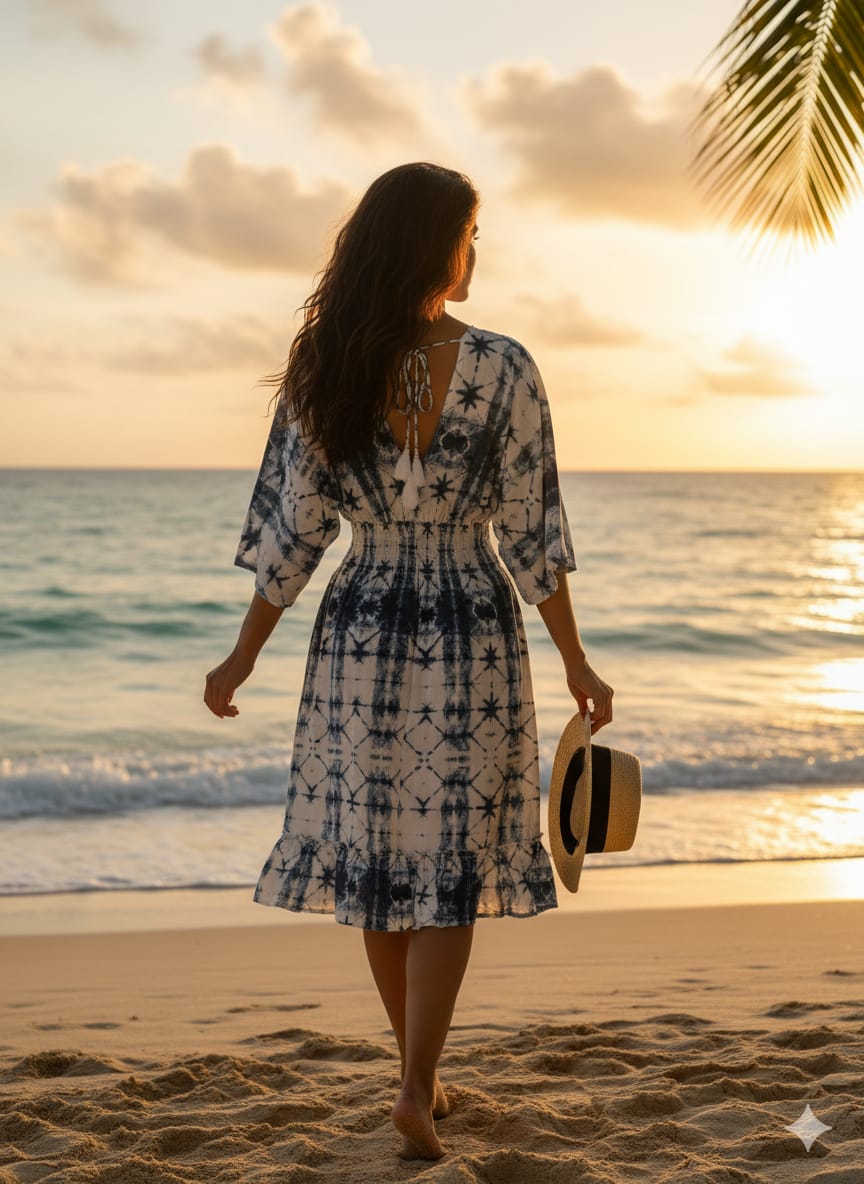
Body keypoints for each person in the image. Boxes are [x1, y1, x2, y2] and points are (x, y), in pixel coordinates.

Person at [203, 161, 613, 1161]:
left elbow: (291, 537)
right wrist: (576, 661)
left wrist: (241, 657)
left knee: (379, 862)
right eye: (473, 231)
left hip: (358, 625)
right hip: (468, 623)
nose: (480, 250)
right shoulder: (506, 366)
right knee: (454, 866)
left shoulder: (328, 363)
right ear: (438, 244)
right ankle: (418, 1083)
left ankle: (415, 1078)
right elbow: (531, 536)